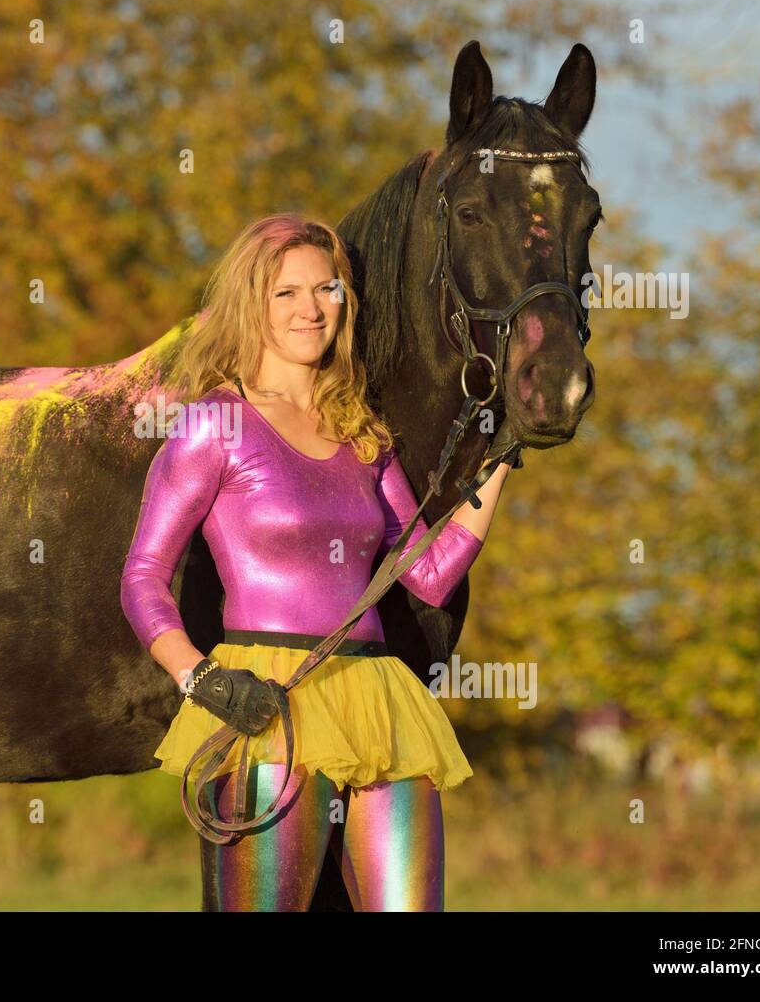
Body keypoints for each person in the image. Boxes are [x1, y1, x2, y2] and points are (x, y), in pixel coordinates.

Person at [119, 213, 513, 911]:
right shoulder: (216, 422)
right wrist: (200, 678)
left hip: (378, 699)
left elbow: (428, 571)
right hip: (263, 702)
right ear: (252, 304)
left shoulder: (361, 428)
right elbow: (143, 577)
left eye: (326, 289)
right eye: (286, 293)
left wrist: (505, 454)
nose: (311, 308)